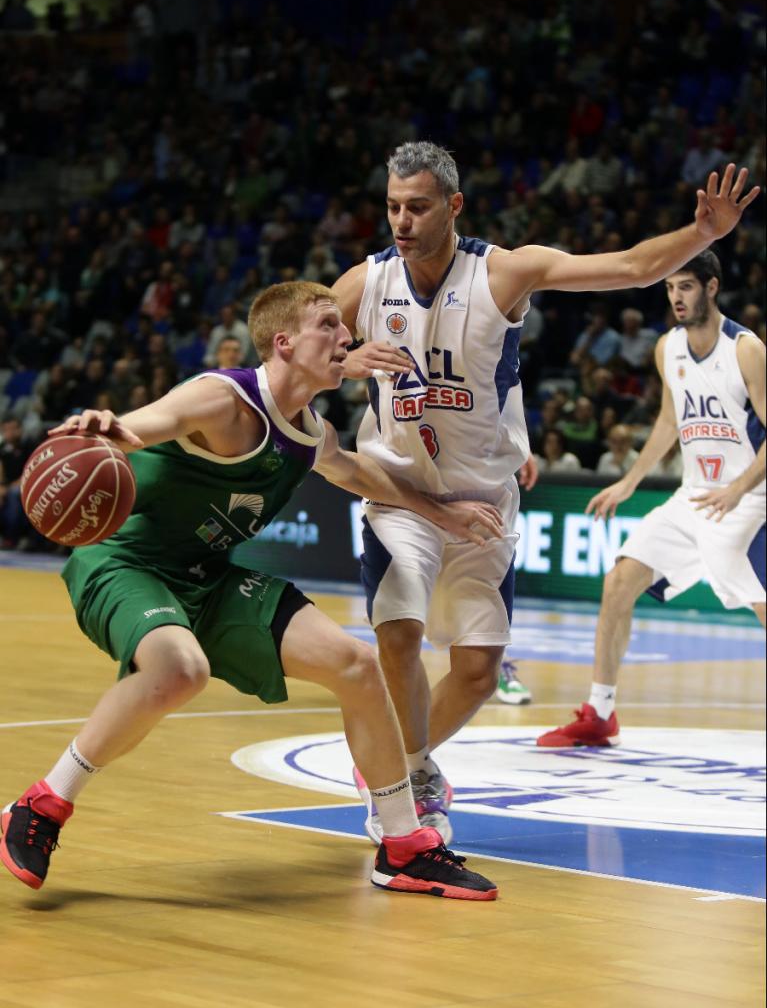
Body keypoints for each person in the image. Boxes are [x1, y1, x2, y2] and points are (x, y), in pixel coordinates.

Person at [0, 281, 503, 901]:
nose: (346, 336)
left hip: (205, 574)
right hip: (125, 562)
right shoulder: (222, 398)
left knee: (355, 663)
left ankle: (403, 846)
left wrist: (441, 513)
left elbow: (351, 470)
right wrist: (110, 426)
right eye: (329, 325)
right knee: (180, 669)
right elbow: (147, 424)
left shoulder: (309, 431)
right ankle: (43, 803)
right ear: (284, 343)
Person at [332, 141, 759, 842]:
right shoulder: (364, 283)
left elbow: (627, 268)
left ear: (453, 205)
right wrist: (347, 361)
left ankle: (404, 758)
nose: (401, 221)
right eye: (391, 207)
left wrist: (702, 234)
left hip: (484, 498)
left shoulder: (504, 272)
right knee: (399, 632)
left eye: (417, 206)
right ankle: (406, 776)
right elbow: (291, 345)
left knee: (476, 671)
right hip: (400, 491)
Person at [538, 250, 765, 747]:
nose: (676, 297)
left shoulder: (746, 350)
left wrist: (738, 488)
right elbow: (669, 420)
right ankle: (600, 713)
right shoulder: (669, 348)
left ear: (711, 287)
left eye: (686, 286)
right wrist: (630, 481)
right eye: (669, 288)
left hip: (751, 498)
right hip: (693, 498)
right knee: (619, 581)